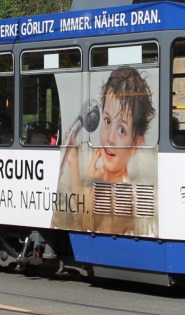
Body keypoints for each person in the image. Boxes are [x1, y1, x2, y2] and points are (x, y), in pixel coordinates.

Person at [55, 67, 157, 236]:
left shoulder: (125, 192)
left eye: (122, 130)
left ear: (135, 145)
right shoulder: (99, 173)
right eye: (108, 121)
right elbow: (80, 204)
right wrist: (73, 162)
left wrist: (88, 180)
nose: (110, 138)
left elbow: (85, 224)